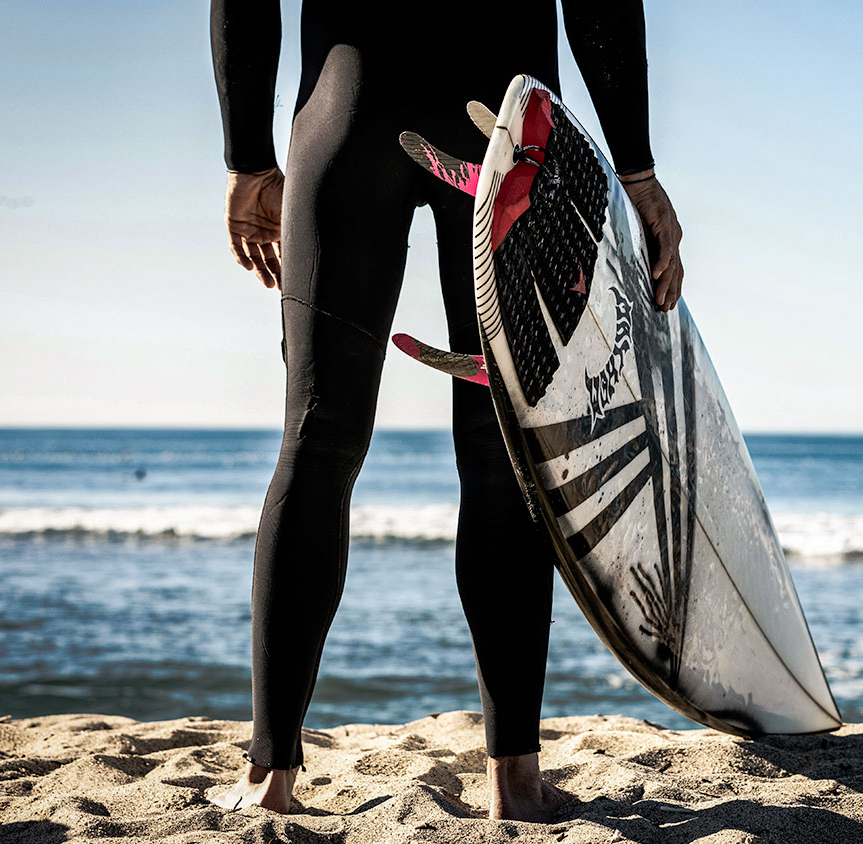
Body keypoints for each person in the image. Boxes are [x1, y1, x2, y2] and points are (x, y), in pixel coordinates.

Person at [206, 0, 684, 822]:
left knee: (317, 442)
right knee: (504, 460)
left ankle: (270, 778)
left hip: (346, 113)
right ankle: (516, 782)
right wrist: (634, 168)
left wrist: (248, 155)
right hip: (506, 128)